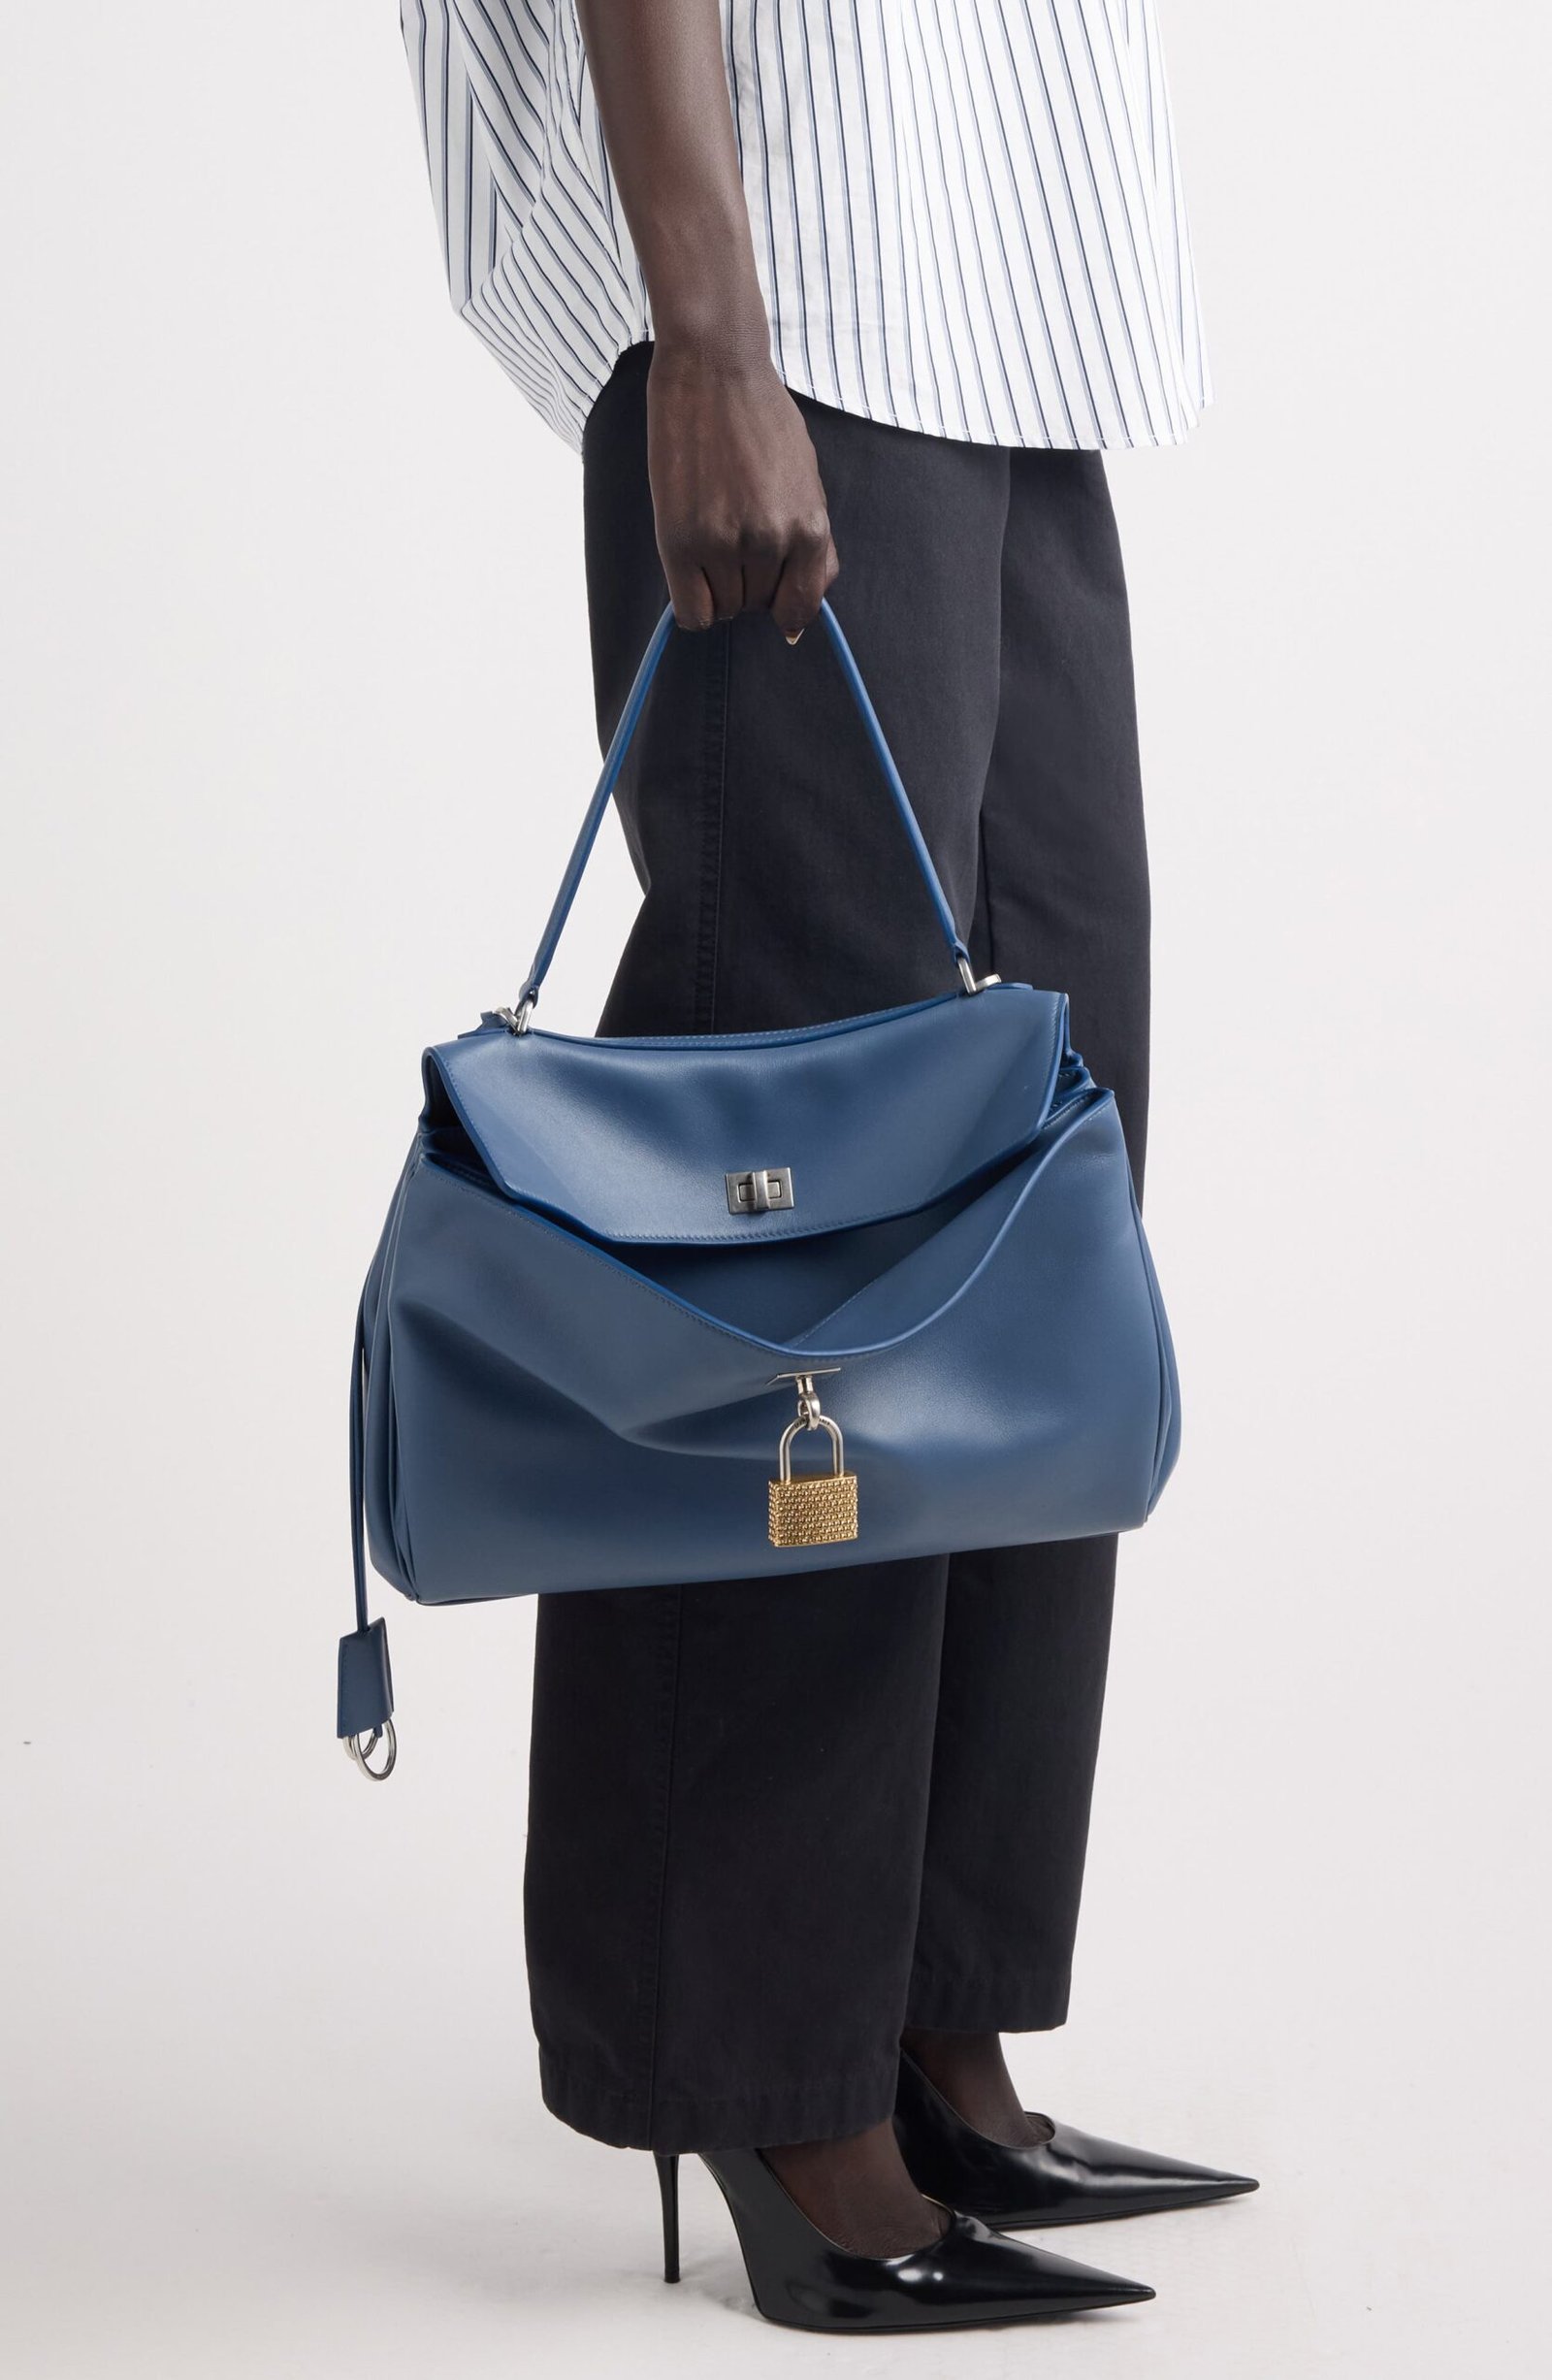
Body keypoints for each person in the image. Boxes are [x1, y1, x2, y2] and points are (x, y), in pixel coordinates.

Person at [398, 0, 1255, 2333]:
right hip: (794, 284)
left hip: (1008, 293)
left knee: (1029, 1195)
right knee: (816, 1231)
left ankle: (928, 2013)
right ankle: (767, 2071)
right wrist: (706, 328)